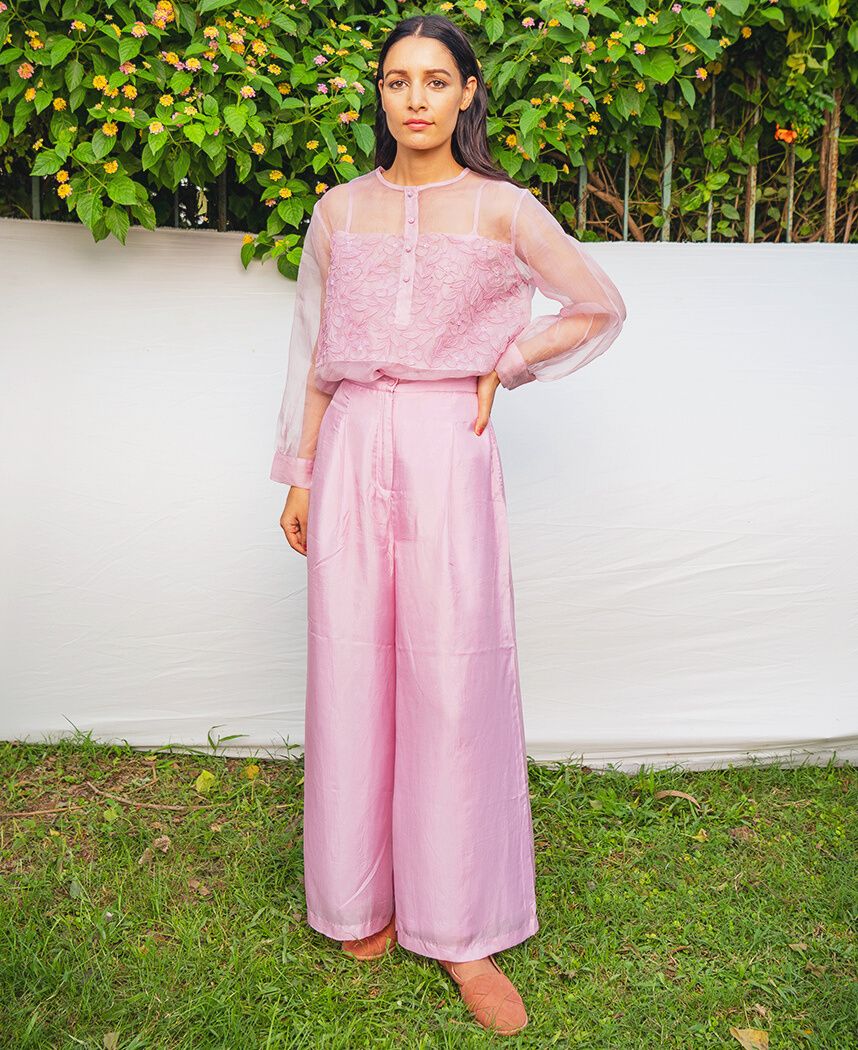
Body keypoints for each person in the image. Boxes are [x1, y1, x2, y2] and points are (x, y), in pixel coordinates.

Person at [270, 13, 627, 1037]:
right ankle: (359, 896)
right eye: (397, 80)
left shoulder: (505, 209)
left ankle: (462, 926)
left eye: (436, 80)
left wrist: (505, 363)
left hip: (445, 446)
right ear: (380, 94)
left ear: (469, 92)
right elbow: (313, 348)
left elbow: (596, 304)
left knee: (452, 669)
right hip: (350, 443)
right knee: (351, 663)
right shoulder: (339, 211)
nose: (415, 98)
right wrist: (299, 473)